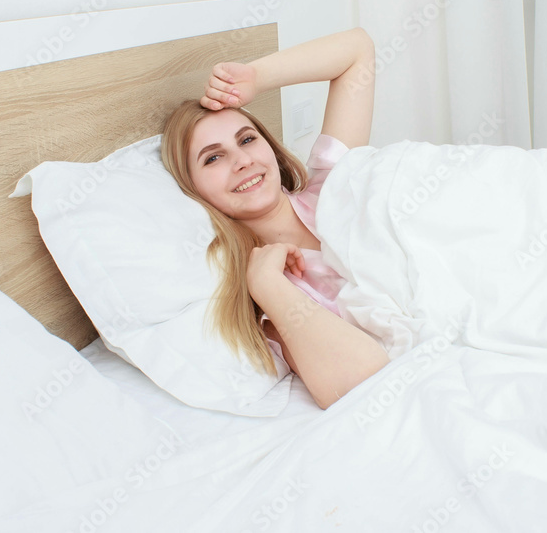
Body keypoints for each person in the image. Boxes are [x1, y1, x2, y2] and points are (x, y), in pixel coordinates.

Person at [160, 27, 390, 410]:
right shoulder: (273, 292)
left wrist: (256, 78)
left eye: (247, 139)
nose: (243, 161)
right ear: (193, 189)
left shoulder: (334, 182)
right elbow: (361, 383)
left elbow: (357, 50)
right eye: (213, 158)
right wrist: (267, 284)